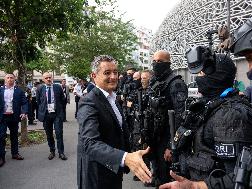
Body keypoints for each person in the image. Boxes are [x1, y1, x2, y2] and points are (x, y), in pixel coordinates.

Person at [160, 0, 252, 188]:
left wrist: (197, 186)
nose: (250, 72)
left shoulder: (232, 115)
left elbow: (237, 177)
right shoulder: (209, 107)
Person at [77, 55, 152, 189]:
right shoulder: (88, 101)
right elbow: (90, 143)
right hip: (97, 176)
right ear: (94, 75)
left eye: (115, 72)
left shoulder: (113, 98)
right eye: (107, 73)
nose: (113, 77)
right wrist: (125, 158)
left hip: (113, 170)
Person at [146, 50, 188, 187]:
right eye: (154, 61)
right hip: (155, 136)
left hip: (167, 138)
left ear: (168, 63)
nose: (156, 64)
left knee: (166, 177)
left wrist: (172, 145)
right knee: (157, 173)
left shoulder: (176, 83)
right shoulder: (154, 82)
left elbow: (181, 116)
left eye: (160, 61)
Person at [36, 72, 67, 161]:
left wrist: (60, 110)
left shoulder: (58, 87)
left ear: (52, 78)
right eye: (46, 78)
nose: (48, 79)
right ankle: (52, 151)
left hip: (57, 114)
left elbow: (63, 99)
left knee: (59, 133)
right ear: (43, 79)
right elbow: (38, 101)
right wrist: (43, 110)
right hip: (46, 115)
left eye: (50, 77)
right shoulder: (40, 88)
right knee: (49, 134)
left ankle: (61, 152)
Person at [0, 73, 28, 167]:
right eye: (7, 78)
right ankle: (1, 157)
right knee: (1, 136)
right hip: (2, 117)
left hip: (13, 116)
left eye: (11, 78)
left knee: (14, 136)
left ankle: (15, 153)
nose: (9, 79)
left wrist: (24, 112)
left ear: (14, 79)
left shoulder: (19, 91)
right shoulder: (0, 90)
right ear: (5, 79)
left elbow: (24, 102)